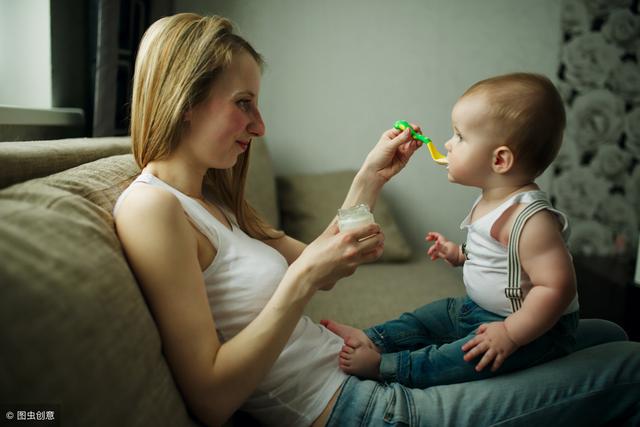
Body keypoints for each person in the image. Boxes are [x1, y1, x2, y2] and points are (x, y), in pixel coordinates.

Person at [113, 13, 640, 427]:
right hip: (359, 410)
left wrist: (369, 180)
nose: (260, 124)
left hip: (355, 374)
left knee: (607, 331)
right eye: (244, 103)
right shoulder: (151, 207)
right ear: (185, 101)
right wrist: (300, 282)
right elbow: (211, 400)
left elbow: (332, 263)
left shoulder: (213, 200)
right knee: (631, 366)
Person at [324, 73, 581, 388]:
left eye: (459, 136)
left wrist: (511, 333)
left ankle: (385, 367)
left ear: (499, 159)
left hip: (533, 330)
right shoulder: (492, 198)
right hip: (477, 309)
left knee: (459, 358)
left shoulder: (530, 219)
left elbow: (557, 288)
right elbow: (499, 257)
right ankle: (375, 338)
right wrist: (459, 254)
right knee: (428, 317)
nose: (448, 144)